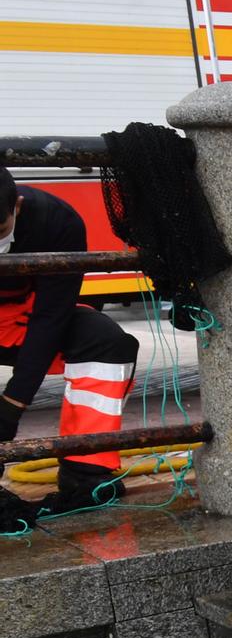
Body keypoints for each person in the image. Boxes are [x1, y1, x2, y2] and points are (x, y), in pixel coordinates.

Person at [0, 174, 137, 525]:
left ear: (16, 207)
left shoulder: (58, 220)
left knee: (106, 341)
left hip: (29, 318)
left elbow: (51, 317)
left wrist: (13, 403)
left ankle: (87, 470)